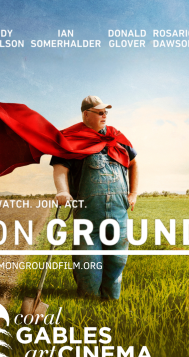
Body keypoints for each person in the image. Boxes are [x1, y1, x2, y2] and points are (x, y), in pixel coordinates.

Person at [50, 96, 139, 300]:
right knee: (88, 260)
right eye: (99, 112)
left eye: (106, 111)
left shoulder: (118, 137)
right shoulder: (71, 139)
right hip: (89, 213)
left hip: (118, 212)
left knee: (117, 260)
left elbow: (134, 164)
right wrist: (63, 191)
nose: (104, 115)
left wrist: (133, 193)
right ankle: (88, 301)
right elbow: (60, 168)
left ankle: (111, 302)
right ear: (85, 114)